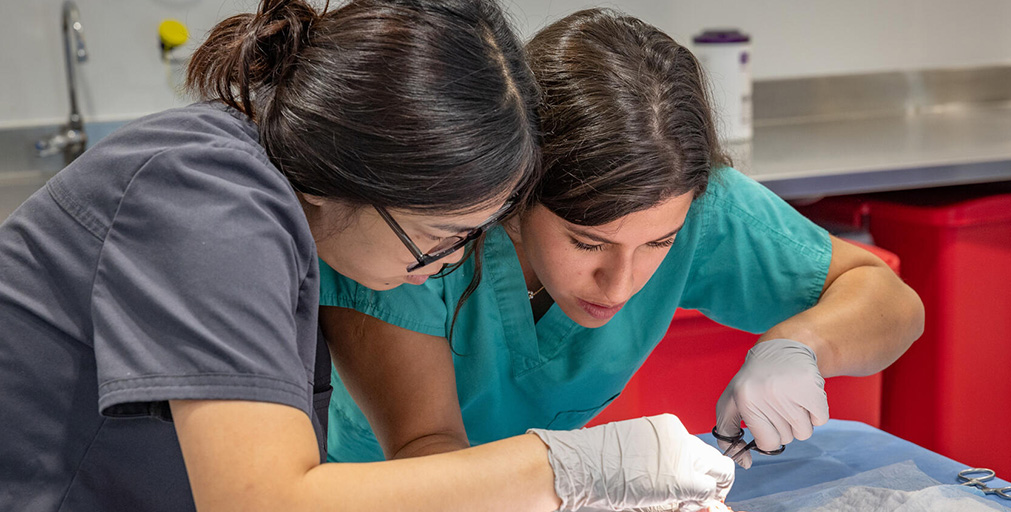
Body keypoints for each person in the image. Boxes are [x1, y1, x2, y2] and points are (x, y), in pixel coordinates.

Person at [0, 2, 734, 511]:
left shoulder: (284, 224)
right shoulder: (207, 201)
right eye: (444, 238)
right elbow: (270, 501)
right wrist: (576, 467)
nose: (450, 266)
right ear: (362, 179)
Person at [319, 6, 925, 475]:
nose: (622, 283)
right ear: (512, 194)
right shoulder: (423, 238)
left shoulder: (693, 203)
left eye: (659, 244)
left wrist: (800, 346)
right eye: (586, 243)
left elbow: (888, 298)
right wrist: (604, 474)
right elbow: (429, 457)